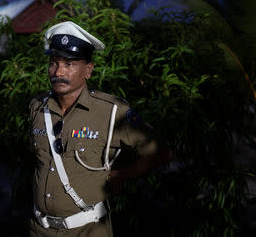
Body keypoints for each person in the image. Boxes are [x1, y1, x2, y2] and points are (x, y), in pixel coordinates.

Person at [28, 21, 171, 237]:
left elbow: (161, 152)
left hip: (88, 230)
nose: (58, 71)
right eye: (54, 62)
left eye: (69, 64)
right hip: (39, 230)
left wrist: (121, 175)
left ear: (88, 70)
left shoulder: (111, 111)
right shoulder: (37, 108)